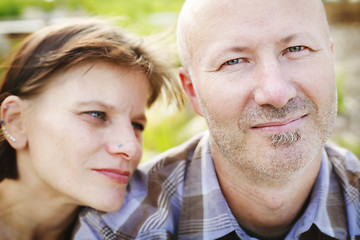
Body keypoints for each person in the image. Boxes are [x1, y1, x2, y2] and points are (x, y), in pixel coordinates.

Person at [76, 0, 360, 239]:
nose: (276, 93)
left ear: (331, 60)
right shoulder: (120, 229)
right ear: (193, 92)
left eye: (297, 49)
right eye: (233, 61)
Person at [0, 18, 184, 240]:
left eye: (136, 125)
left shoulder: (140, 226)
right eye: (97, 115)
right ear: (15, 120)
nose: (131, 148)